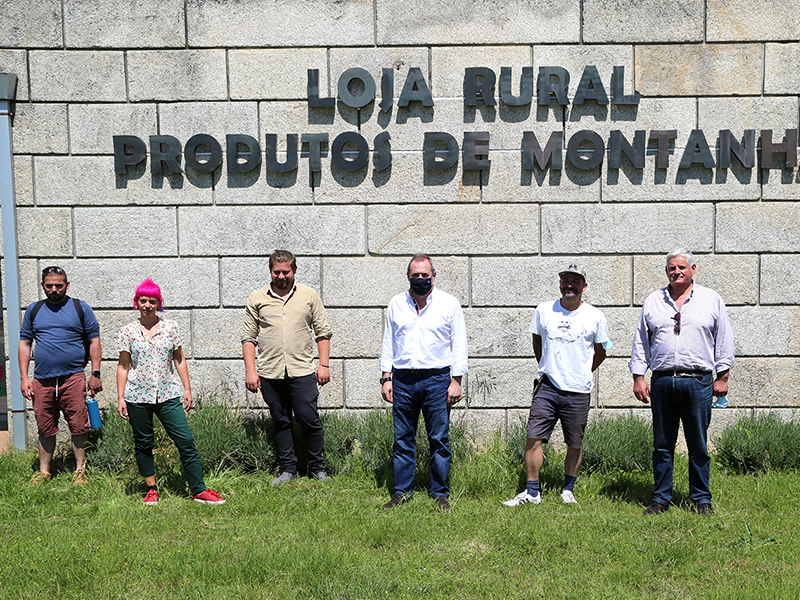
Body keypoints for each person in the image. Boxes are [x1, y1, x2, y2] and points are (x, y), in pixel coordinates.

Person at [631, 248, 733, 516]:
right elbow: (641, 341)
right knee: (662, 445)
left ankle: (701, 499)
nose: (676, 272)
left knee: (698, 444)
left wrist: (723, 376)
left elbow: (723, 338)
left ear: (693, 269)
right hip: (663, 382)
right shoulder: (654, 300)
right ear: (667, 272)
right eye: (671, 268)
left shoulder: (711, 299)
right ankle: (661, 498)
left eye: (682, 267)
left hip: (698, 381)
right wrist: (638, 376)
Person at [504, 263, 609, 507]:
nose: (569, 285)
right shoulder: (543, 311)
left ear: (584, 286)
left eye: (575, 281)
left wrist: (581, 370)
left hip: (578, 389)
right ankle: (532, 493)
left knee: (574, 442)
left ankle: (568, 490)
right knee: (533, 437)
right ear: (560, 284)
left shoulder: (595, 316)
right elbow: (537, 342)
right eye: (565, 280)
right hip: (547, 387)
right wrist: (549, 367)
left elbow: (602, 351)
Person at [117, 279, 225, 505]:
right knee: (143, 443)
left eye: (152, 301)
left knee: (185, 440)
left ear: (159, 303)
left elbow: (179, 359)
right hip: (137, 395)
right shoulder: (127, 331)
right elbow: (123, 366)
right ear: (137, 302)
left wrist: (187, 388)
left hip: (168, 394)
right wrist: (120, 398)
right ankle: (151, 490)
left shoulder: (171, 328)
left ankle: (198, 490)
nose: (147, 305)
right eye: (143, 300)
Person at [380, 254, 468, 511]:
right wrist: (386, 378)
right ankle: (402, 492)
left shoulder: (449, 304)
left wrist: (456, 380)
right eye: (415, 275)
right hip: (404, 379)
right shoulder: (396, 303)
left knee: (439, 438)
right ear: (408, 276)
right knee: (403, 439)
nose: (420, 279)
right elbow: (389, 343)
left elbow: (459, 343)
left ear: (433, 275)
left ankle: (440, 493)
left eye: (425, 275)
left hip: (437, 379)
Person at [242, 250, 332, 485]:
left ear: (294, 270)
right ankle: (288, 469)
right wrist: (251, 371)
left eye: (286, 271)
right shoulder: (257, 298)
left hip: (302, 370)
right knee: (280, 420)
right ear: (270, 270)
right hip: (270, 372)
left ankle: (318, 467)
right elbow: (248, 338)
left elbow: (322, 332)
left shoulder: (309, 296)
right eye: (276, 272)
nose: (281, 276)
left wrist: (323, 365)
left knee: (308, 419)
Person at [19, 265, 103, 485]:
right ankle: (44, 471)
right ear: (42, 286)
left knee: (78, 425)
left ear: (67, 285)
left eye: (58, 285)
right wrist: (24, 377)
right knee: (44, 426)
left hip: (73, 378)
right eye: (49, 286)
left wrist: (95, 373)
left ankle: (80, 471)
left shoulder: (80, 308)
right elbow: (25, 343)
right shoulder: (34, 310)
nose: (54, 289)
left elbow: (94, 341)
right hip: (42, 380)